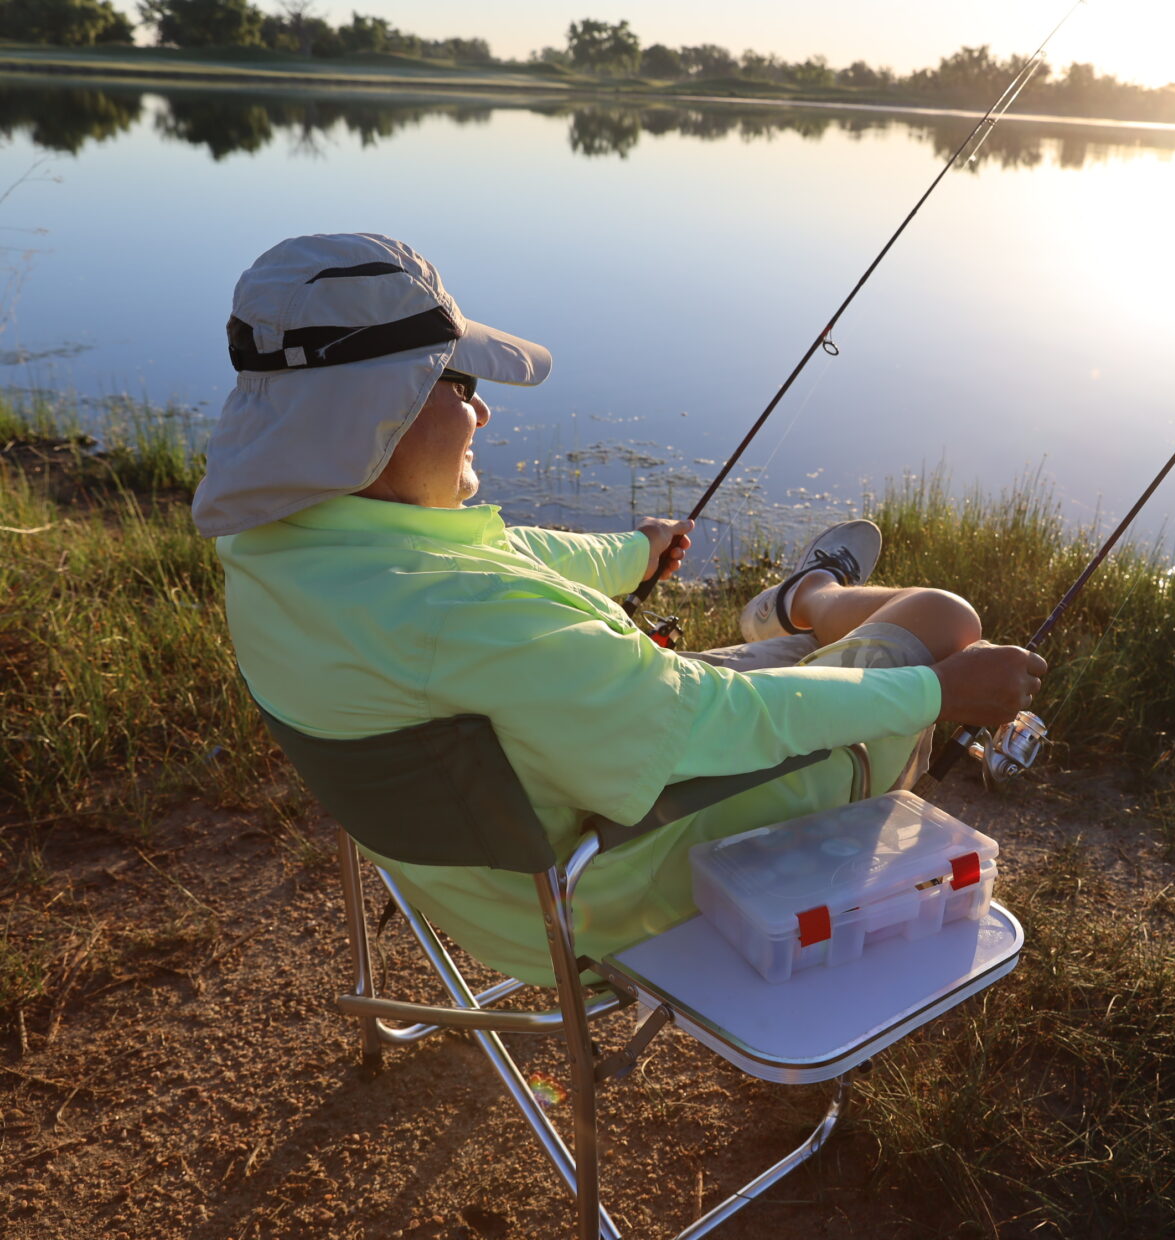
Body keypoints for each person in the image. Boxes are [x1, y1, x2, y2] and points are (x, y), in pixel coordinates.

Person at [194, 233, 1045, 984]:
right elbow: (705, 720)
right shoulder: (474, 617)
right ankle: (806, 600)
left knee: (919, 640)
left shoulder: (279, 551)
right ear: (374, 416)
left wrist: (636, 552)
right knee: (945, 622)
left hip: (471, 876)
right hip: (598, 892)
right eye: (455, 384)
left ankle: (800, 607)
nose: (483, 410)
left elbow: (508, 553)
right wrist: (939, 695)